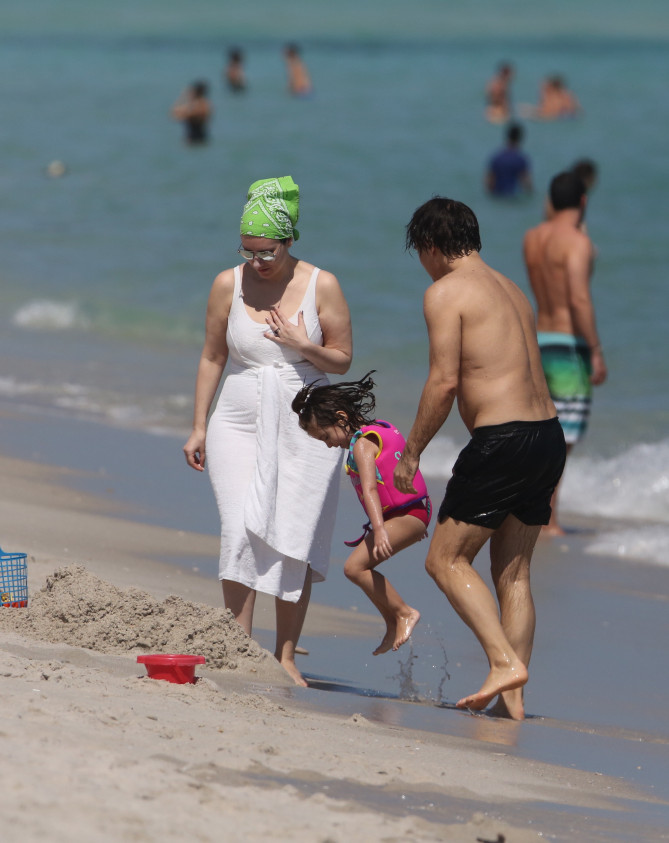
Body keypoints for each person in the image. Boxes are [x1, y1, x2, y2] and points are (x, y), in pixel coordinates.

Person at [394, 197, 566, 720]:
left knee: (444, 559)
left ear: (429, 246)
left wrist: (411, 452)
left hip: (505, 440)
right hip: (547, 437)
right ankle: (511, 703)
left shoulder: (446, 292)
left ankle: (501, 662)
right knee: (513, 575)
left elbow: (444, 382)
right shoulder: (511, 289)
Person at [183, 176, 352, 686]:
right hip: (236, 419)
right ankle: (236, 647)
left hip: (308, 423)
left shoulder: (323, 284)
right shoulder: (225, 284)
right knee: (239, 528)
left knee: (293, 535)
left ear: (290, 239)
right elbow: (213, 355)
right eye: (249, 251)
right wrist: (197, 428)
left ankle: (285, 657)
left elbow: (342, 361)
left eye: (268, 251)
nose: (258, 261)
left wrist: (303, 343)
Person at [292, 372, 431, 656]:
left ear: (341, 418)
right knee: (359, 569)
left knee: (354, 568)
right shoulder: (381, 429)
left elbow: (370, 488)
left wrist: (380, 529)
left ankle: (404, 613)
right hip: (412, 514)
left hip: (407, 516)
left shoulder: (363, 443)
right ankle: (392, 621)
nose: (329, 444)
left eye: (325, 436)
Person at [523, 171, 607, 535]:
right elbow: (578, 297)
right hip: (567, 346)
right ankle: (548, 519)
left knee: (540, 430)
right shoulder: (577, 242)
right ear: (584, 202)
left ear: (551, 201)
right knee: (564, 439)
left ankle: (531, 510)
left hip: (536, 340)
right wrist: (597, 350)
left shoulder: (533, 238)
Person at [485, 123, 532, 198]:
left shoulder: (497, 157)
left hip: (497, 197)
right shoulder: (520, 159)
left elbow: (489, 183)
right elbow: (527, 184)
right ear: (520, 138)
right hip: (512, 197)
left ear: (507, 136)